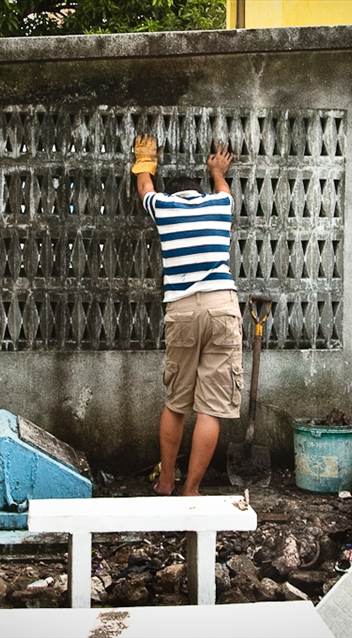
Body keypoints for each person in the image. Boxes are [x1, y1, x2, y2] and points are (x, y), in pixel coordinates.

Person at [132, 133, 243, 496]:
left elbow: (145, 184)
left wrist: (145, 158)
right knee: (211, 407)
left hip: (181, 307)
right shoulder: (219, 206)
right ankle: (191, 490)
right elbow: (224, 188)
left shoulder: (163, 208)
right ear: (198, 192)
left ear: (173, 193)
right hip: (222, 305)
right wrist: (217, 169)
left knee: (177, 401)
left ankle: (166, 482)